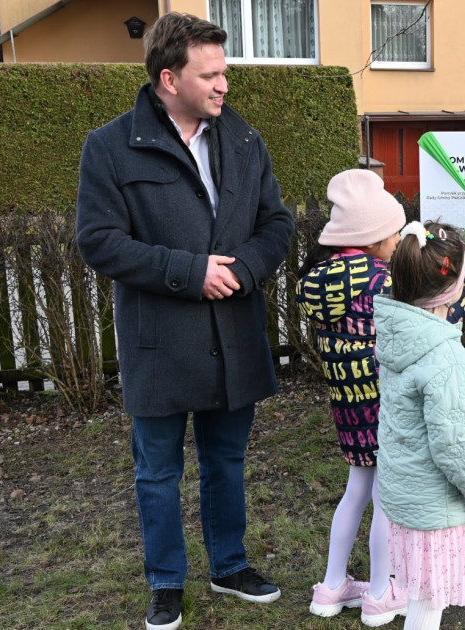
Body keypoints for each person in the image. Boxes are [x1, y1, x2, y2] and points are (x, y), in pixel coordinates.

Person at [75, 12, 295, 630]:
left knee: (226, 462)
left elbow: (276, 224)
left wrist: (244, 269)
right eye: (212, 74)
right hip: (160, 343)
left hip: (234, 335)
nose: (225, 85)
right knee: (157, 471)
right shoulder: (110, 146)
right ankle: (166, 581)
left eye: (225, 72)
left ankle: (229, 566)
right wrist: (188, 270)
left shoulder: (245, 139)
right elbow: (98, 240)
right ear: (169, 78)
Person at [375, 221, 465, 630]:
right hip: (432, 508)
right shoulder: (444, 361)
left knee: (420, 595)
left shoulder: (400, 337)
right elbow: (453, 444)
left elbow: (424, 393)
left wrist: (462, 361)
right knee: (427, 606)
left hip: (403, 495)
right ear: (454, 290)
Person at [295, 168, 410, 626]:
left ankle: (331, 585)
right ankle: (382, 593)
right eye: (394, 232)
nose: (399, 240)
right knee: (386, 499)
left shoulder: (321, 277)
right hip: (384, 400)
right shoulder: (382, 279)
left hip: (349, 405)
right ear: (373, 236)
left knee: (355, 490)